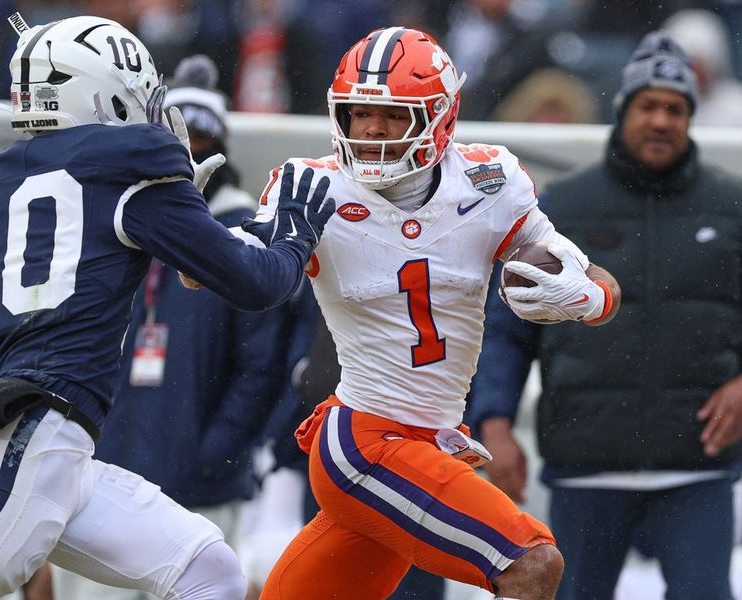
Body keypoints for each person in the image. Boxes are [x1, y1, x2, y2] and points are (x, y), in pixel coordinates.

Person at [0, 13, 334, 600]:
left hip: (55, 453)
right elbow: (260, 284)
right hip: (24, 450)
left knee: (210, 572)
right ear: (105, 94)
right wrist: (295, 234)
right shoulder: (127, 173)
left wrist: (181, 233)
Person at [243, 27, 620, 600]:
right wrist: (188, 238)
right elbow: (239, 266)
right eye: (357, 112)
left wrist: (588, 299)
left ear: (439, 117)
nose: (370, 129)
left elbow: (593, 278)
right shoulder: (313, 186)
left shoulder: (490, 181)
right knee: (531, 561)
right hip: (367, 440)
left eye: (393, 115)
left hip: (431, 440)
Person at [466, 31, 742, 600]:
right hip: (585, 465)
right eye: (649, 105)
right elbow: (508, 329)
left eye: (675, 108)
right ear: (623, 112)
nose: (661, 120)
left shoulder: (732, 204)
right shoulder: (562, 206)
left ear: (691, 117)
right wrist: (493, 420)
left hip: (698, 466)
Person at [48, 53, 302, 600]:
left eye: (201, 142)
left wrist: (218, 453)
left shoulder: (241, 234)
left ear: (220, 146)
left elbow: (262, 367)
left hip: (201, 479)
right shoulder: (121, 218)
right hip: (109, 466)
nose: (190, 154)